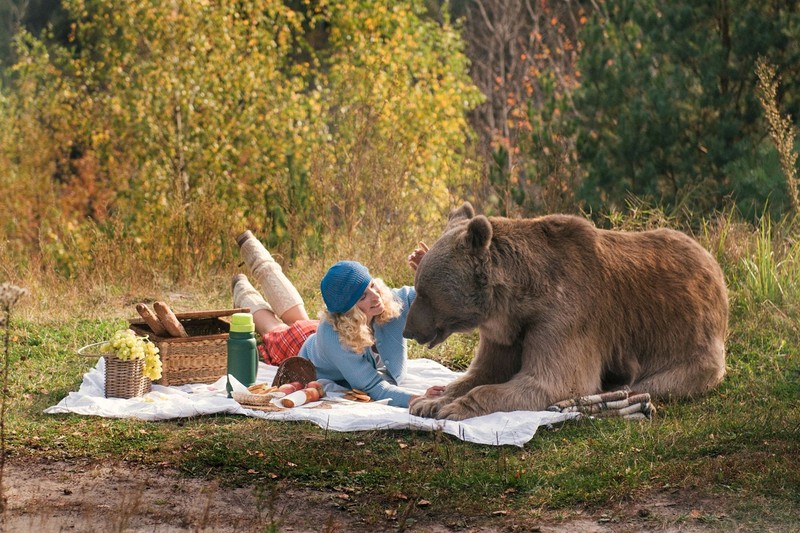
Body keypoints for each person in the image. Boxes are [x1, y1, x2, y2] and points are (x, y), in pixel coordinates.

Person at [232, 231, 442, 408]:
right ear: (349, 311)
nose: (376, 296)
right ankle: (241, 288)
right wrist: (419, 399)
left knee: (295, 314)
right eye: (363, 296)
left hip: (324, 333)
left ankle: (251, 248)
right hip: (303, 348)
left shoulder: (389, 301)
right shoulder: (334, 336)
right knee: (274, 327)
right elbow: (373, 387)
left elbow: (434, 297)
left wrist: (431, 266)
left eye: (372, 285)